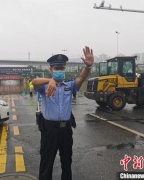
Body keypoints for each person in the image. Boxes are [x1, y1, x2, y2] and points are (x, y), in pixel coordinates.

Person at [32, 46, 94, 180]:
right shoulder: (44, 86)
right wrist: (51, 81)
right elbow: (33, 82)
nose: (59, 71)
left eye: (61, 68)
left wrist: (88, 67)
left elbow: (81, 79)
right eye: (56, 68)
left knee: (67, 163)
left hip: (66, 130)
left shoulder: (69, 86)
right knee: (46, 163)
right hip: (49, 130)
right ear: (51, 69)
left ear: (64, 69)